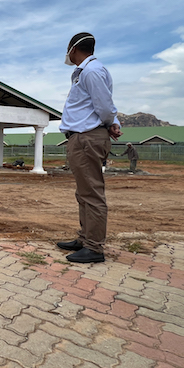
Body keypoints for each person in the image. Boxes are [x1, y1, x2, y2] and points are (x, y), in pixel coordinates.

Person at [56, 32, 121, 263]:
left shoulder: (91, 71)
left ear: (73, 49)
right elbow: (103, 104)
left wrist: (111, 122)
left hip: (87, 137)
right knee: (84, 192)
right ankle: (85, 238)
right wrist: (112, 123)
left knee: (91, 192)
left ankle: (94, 247)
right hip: (82, 137)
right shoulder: (85, 72)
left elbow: (104, 105)